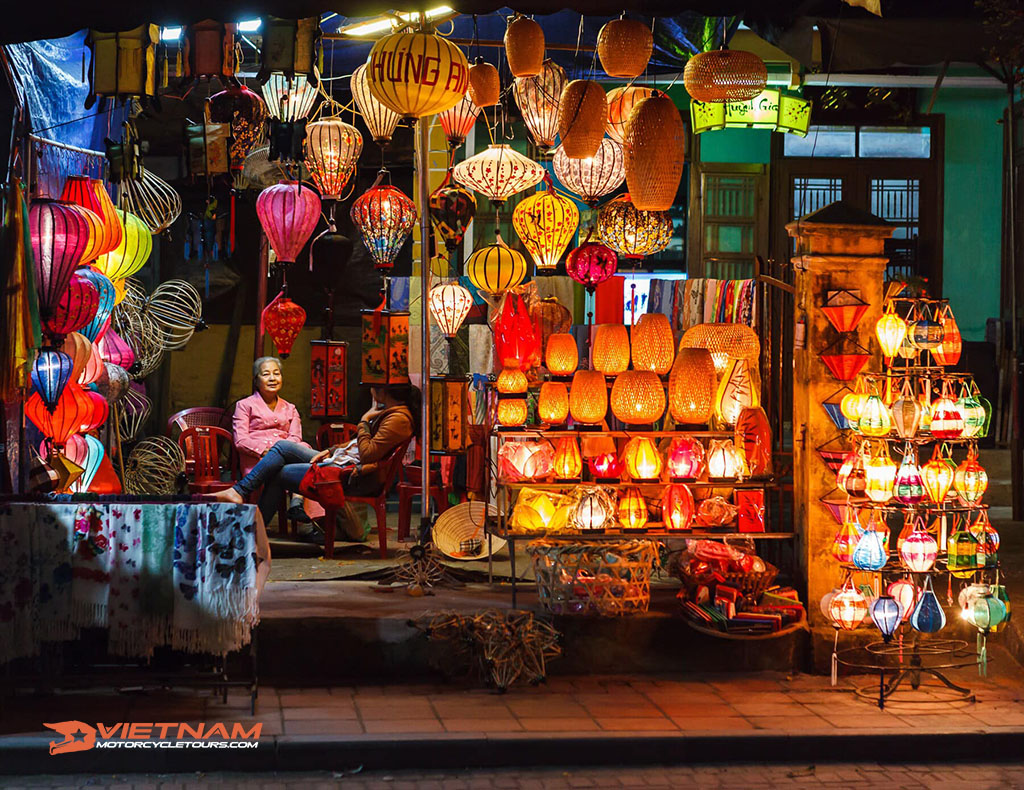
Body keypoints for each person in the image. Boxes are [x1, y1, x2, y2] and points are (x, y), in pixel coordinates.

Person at [213, 384, 421, 541]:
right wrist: (328, 451)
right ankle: (245, 505)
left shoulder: (397, 419)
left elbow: (367, 454)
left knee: (279, 468)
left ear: (383, 392)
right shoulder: (390, 414)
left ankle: (250, 522)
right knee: (282, 448)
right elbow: (357, 446)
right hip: (342, 462)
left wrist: (364, 421)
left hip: (351, 474)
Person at [232, 356, 311, 520]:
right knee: (293, 468)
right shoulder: (245, 405)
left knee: (304, 447)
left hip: (287, 459)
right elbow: (240, 440)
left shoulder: (290, 408)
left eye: (277, 373)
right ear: (256, 380)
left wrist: (281, 453)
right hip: (257, 460)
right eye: (266, 374)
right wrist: (269, 451)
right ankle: (300, 511)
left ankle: (297, 507)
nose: (273, 378)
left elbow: (295, 437)